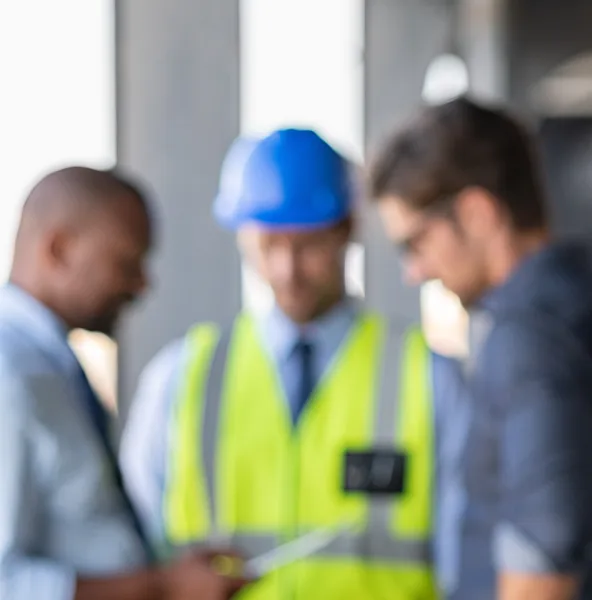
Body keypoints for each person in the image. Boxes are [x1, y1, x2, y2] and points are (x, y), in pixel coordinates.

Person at [119, 128, 465, 599]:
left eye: (308, 245)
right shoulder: (180, 379)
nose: (288, 270)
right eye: (268, 245)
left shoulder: (428, 377)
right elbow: (136, 554)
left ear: (347, 229)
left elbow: (468, 559)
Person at [368, 98, 592, 600]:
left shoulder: (529, 338)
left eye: (415, 242)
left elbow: (543, 556)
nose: (414, 272)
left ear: (476, 213)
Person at [0, 166, 248, 599]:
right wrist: (162, 587)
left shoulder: (49, 368)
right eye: (127, 263)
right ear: (59, 249)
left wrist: (168, 573)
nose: (142, 285)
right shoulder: (11, 373)